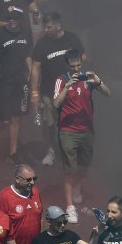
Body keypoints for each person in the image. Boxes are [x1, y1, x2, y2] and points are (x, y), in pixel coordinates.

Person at [53, 48, 110, 223]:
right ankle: (70, 207)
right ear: (67, 65)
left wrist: (97, 81)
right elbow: (56, 103)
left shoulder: (88, 78)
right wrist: (67, 87)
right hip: (68, 131)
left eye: (79, 65)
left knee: (84, 167)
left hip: (86, 130)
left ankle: (77, 186)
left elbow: (108, 93)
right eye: (73, 66)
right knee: (70, 169)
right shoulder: (61, 80)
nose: (77, 69)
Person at [30, 12, 85, 166]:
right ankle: (50, 149)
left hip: (71, 89)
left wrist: (75, 66)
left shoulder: (72, 39)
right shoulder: (42, 44)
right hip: (49, 92)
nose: (45, 30)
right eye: (44, 27)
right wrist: (34, 92)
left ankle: (71, 149)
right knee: (49, 121)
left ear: (58, 26)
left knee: (71, 119)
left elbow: (84, 56)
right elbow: (35, 68)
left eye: (48, 27)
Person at [0, 10, 32, 162]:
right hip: (3, 81)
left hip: (20, 81)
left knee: (16, 118)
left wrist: (31, 75)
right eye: (9, 18)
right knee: (4, 119)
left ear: (21, 19)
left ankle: (13, 153)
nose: (12, 21)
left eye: (15, 18)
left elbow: (28, 54)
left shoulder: (26, 32)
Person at [0, 164, 43, 244]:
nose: (32, 182)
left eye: (34, 178)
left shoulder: (35, 192)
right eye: (28, 180)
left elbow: (40, 217)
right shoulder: (4, 196)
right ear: (17, 179)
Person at [29, 206, 97, 244]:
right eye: (59, 223)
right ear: (49, 221)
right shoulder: (38, 241)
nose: (62, 225)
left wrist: (95, 235)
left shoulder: (70, 235)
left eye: (64, 222)